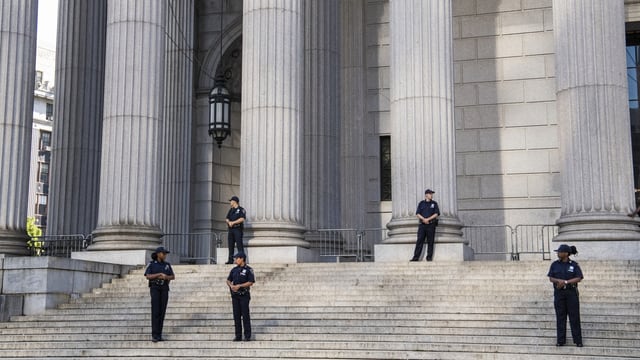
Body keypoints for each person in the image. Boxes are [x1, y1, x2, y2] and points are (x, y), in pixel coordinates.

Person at [547, 244, 583, 347]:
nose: (558, 253)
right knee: (560, 316)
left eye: (559, 252)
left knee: (574, 317)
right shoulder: (554, 264)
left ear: (566, 253)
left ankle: (578, 340)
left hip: (571, 293)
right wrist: (558, 281)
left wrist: (566, 282)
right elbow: (551, 277)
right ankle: (560, 340)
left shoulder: (574, 265)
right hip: (559, 293)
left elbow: (579, 277)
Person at [144, 246, 175, 342]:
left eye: (165, 254)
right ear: (158, 254)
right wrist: (158, 275)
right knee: (156, 311)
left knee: (162, 312)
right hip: (155, 288)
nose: (165, 255)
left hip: (164, 288)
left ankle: (159, 334)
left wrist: (166, 277)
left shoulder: (167, 265)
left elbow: (173, 276)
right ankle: (155, 335)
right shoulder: (152, 264)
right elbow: (148, 276)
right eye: (163, 253)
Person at [226, 252, 255, 341]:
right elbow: (228, 280)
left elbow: (251, 282)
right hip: (235, 296)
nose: (235, 260)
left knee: (245, 315)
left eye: (236, 258)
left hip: (244, 295)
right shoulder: (234, 270)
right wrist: (231, 286)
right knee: (236, 316)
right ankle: (238, 335)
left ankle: (247, 335)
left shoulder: (248, 269)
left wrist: (240, 286)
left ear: (242, 259)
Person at [411, 189, 440, 261]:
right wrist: (424, 219)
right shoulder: (421, 203)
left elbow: (436, 213)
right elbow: (417, 213)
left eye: (432, 194)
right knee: (419, 241)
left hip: (431, 225)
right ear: (426, 195)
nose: (432, 195)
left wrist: (428, 219)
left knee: (430, 241)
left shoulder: (434, 203)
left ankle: (429, 257)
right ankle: (416, 257)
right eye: (430, 194)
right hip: (422, 225)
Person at [225, 196, 246, 264]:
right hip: (231, 229)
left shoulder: (241, 209)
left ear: (234, 201)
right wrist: (229, 222)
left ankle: (242, 260)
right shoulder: (231, 210)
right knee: (230, 245)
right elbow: (227, 218)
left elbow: (242, 218)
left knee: (239, 245)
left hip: (237, 229)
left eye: (231, 201)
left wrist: (233, 222)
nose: (230, 202)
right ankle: (230, 260)